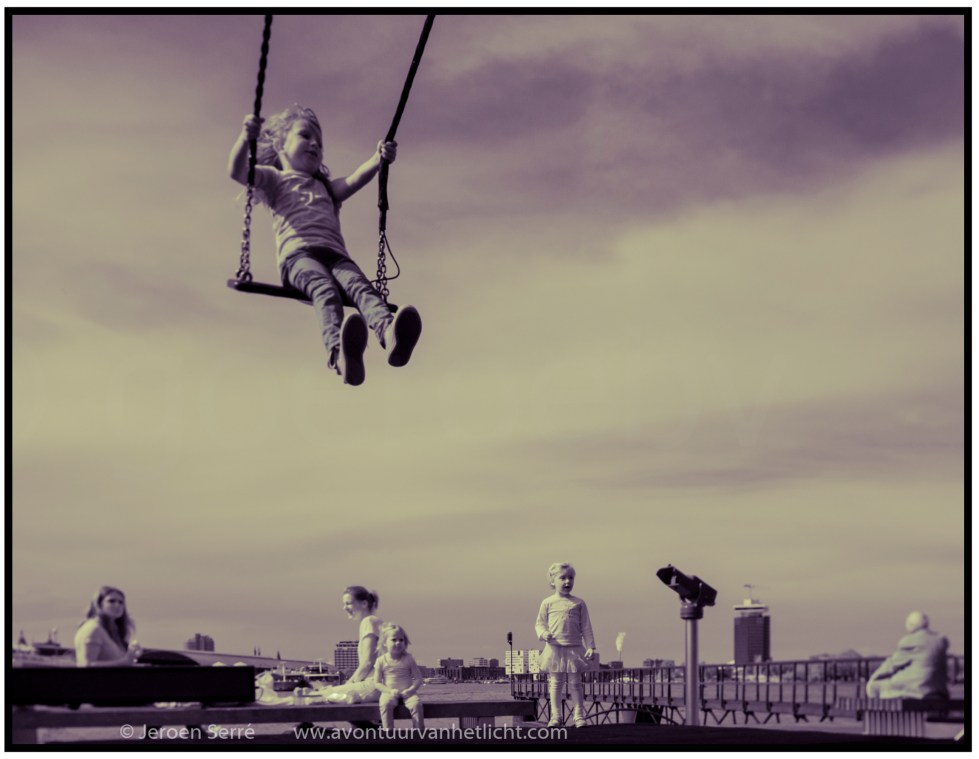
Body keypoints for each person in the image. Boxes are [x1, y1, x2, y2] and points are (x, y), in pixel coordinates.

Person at [228, 105, 422, 386]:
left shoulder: (326, 188)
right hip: (298, 258)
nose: (315, 143)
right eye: (305, 136)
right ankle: (339, 354)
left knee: (360, 287)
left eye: (319, 141)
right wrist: (246, 138)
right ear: (282, 145)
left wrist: (378, 158)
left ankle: (389, 333)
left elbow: (355, 179)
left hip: (336, 256)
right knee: (324, 289)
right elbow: (237, 171)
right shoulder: (275, 180)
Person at [535, 562, 597, 728]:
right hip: (554, 648)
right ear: (553, 581)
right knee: (555, 683)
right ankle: (556, 716)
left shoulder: (579, 603)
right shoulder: (547, 602)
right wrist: (543, 634)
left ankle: (579, 715)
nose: (567, 581)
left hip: (574, 647)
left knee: (576, 683)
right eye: (562, 578)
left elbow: (586, 626)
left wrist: (591, 646)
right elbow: (539, 624)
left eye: (570, 577)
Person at [866, 611, 949, 700]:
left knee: (875, 686)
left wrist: (874, 677)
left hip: (917, 688)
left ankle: (875, 713)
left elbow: (892, 664)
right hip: (938, 689)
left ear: (911, 625)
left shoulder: (910, 641)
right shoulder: (941, 640)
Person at [374, 623, 425, 733]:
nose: (398, 643)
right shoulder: (381, 660)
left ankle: (419, 733)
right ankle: (388, 733)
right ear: (384, 643)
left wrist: (410, 690)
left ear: (405, 642)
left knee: (416, 704)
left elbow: (418, 679)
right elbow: (377, 683)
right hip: (389, 693)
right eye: (394, 640)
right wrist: (389, 691)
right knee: (385, 704)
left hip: (408, 693)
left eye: (401, 640)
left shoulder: (409, 658)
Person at [73, 586, 142, 667]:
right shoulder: (93, 629)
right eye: (111, 601)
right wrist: (125, 662)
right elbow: (86, 665)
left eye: (121, 602)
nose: (117, 605)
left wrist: (132, 654)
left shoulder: (111, 630)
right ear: (99, 604)